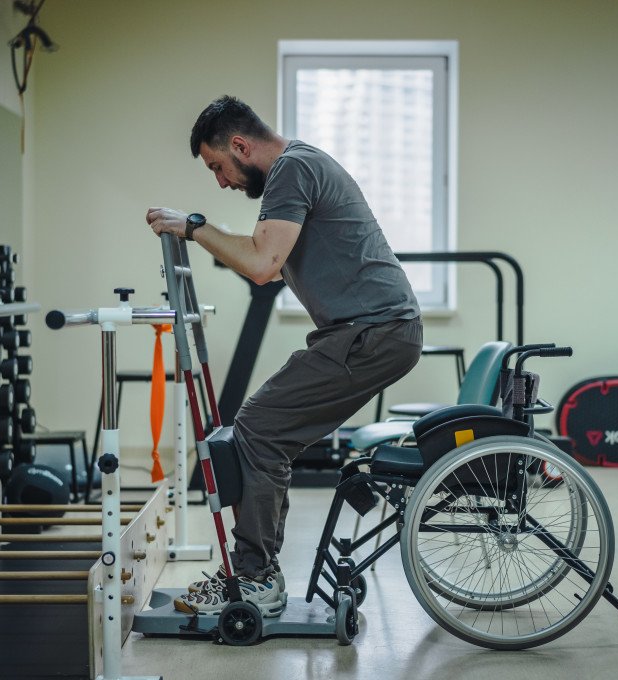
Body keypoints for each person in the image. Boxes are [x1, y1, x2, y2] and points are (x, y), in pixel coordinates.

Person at [146, 95, 422, 617]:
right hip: (371, 331)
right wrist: (205, 234)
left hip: (373, 332)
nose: (222, 181)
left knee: (257, 429)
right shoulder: (299, 165)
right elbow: (261, 256)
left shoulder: (292, 169)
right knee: (268, 433)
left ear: (241, 145)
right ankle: (259, 571)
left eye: (218, 166)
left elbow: (262, 264)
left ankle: (255, 579)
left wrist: (193, 225)